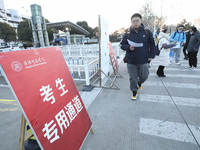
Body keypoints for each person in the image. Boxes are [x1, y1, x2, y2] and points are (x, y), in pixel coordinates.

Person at [120, 13, 157, 100]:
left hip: (144, 60)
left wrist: (151, 56)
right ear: (131, 22)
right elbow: (122, 45)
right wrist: (129, 47)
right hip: (131, 60)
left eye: (137, 21)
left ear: (141, 21)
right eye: (133, 21)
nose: (135, 23)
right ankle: (134, 91)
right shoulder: (127, 34)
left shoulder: (147, 32)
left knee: (144, 76)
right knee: (133, 78)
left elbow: (154, 44)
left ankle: (140, 82)